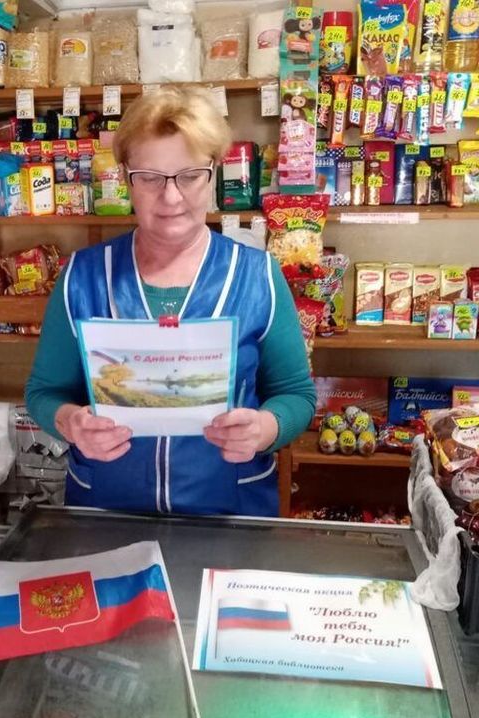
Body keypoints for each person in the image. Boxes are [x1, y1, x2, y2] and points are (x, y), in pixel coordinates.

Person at [25, 87, 316, 516]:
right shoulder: (82, 277)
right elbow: (44, 391)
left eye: (190, 175)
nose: (171, 197)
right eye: (150, 177)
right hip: (106, 513)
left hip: (230, 517)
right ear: (126, 177)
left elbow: (296, 394)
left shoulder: (257, 276)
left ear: (213, 173)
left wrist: (265, 428)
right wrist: (70, 421)